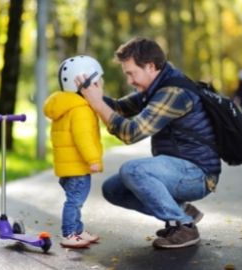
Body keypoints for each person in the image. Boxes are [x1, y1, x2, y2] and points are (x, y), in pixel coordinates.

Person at [76, 37, 220, 249]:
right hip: (178, 170)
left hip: (198, 175)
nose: (129, 81)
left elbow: (131, 133)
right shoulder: (155, 87)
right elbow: (119, 108)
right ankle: (182, 211)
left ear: (151, 66)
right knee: (112, 189)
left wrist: (97, 103)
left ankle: (184, 227)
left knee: (133, 170)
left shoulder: (174, 92)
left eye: (131, 73)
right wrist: (89, 94)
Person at [43, 55, 104, 248]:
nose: (101, 85)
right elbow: (83, 139)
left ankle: (78, 230)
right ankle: (69, 233)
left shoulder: (66, 106)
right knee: (74, 202)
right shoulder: (81, 110)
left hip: (68, 166)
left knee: (75, 200)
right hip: (78, 166)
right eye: (97, 82)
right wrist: (93, 159)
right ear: (83, 83)